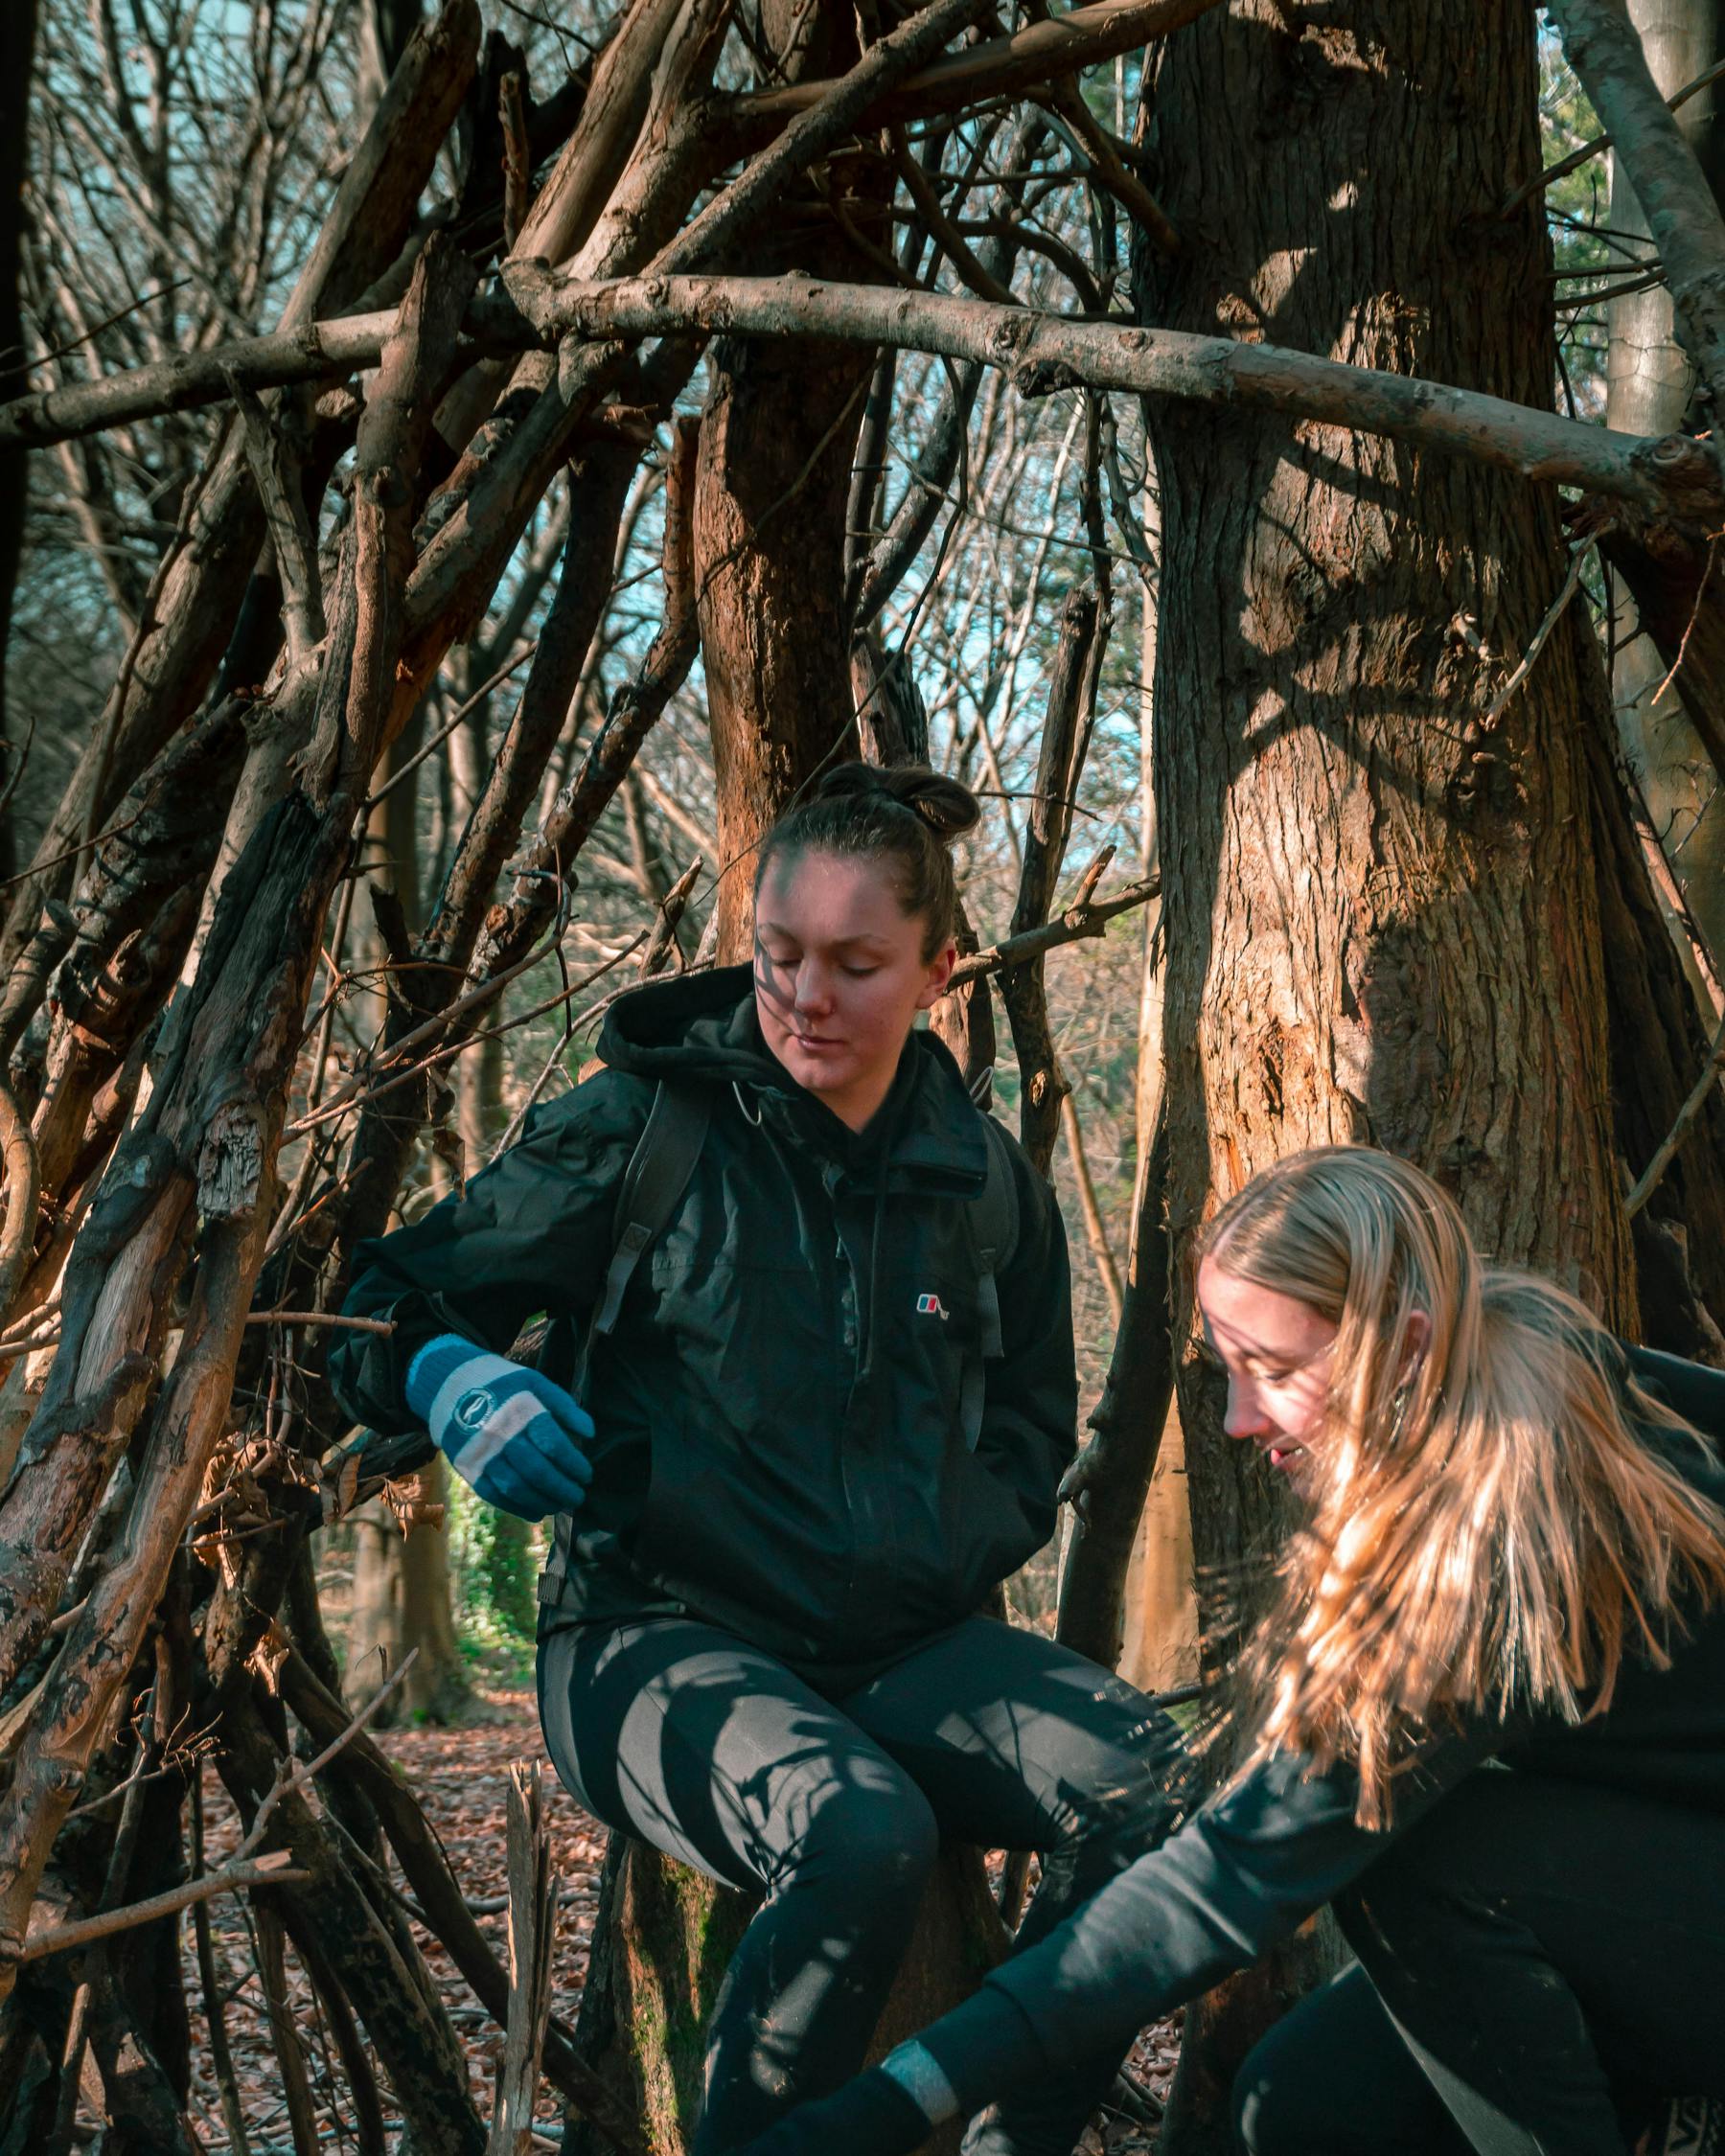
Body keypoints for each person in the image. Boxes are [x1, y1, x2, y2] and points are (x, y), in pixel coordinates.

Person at [328, 764, 1186, 2155]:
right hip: (647, 1635)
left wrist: (947, 1546)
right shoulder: (642, 1126)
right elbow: (371, 1298)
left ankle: (1007, 2139)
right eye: (779, 953)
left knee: (1156, 1779)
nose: (805, 997)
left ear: (939, 969)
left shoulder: (983, 1178)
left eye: (857, 963)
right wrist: (446, 1374)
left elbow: (1033, 1419)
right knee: (861, 1830)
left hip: (903, 1643)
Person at [731, 1146, 1725, 2156]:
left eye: (1277, 1373)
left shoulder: (1499, 1535)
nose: (1241, 1421)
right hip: (1657, 1879)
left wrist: (878, 2112)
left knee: (1405, 1834)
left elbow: (1223, 1882)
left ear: (1409, 1348)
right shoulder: (1519, 1364)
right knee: (1297, 2106)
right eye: (1229, 1372)